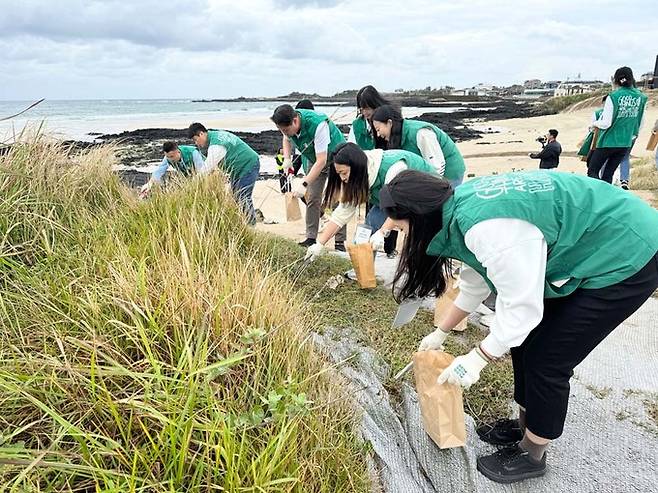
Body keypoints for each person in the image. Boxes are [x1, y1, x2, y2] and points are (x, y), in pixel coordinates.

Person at [378, 169, 658, 484]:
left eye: (402, 228)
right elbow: (475, 282)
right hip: (593, 236)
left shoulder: (488, 230)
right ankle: (527, 424)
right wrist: (441, 331)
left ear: (419, 216)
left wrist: (477, 358)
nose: (401, 236)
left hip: (627, 249)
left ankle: (533, 453)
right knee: (524, 343)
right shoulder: (457, 212)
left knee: (548, 356)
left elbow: (522, 309)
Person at [303, 142, 436, 261]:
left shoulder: (393, 169)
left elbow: (400, 205)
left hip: (424, 196)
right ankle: (364, 278)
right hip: (388, 202)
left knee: (421, 239)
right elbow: (341, 214)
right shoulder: (355, 179)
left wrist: (383, 232)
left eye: (344, 173)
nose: (342, 178)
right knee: (363, 238)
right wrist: (319, 244)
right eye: (339, 174)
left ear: (356, 167)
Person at [271, 104, 347, 250]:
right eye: (281, 130)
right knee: (312, 197)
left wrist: (304, 183)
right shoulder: (286, 124)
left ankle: (339, 242)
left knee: (338, 198)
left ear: (295, 121)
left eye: (286, 130)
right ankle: (311, 238)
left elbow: (322, 160)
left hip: (336, 157)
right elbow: (286, 139)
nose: (285, 132)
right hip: (315, 158)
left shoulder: (318, 124)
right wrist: (287, 159)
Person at [349, 85, 399, 256]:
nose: (365, 112)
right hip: (368, 172)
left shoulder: (387, 121)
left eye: (367, 108)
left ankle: (390, 247)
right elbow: (352, 147)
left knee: (393, 206)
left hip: (389, 170)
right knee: (373, 208)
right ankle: (371, 250)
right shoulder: (357, 125)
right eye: (361, 109)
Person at [371, 105, 465, 188]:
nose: (378, 135)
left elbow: (437, 166)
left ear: (389, 123)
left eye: (378, 129)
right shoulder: (399, 135)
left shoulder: (421, 133)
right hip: (429, 172)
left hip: (450, 171)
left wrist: (435, 189)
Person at [187, 123, 261, 225]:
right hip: (236, 169)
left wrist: (193, 183)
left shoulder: (216, 145)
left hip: (248, 164)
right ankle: (247, 222)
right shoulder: (213, 137)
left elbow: (208, 167)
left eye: (195, 139)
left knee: (242, 196)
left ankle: (251, 225)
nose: (196, 143)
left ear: (201, 134)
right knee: (236, 196)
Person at [588, 66, 648, 184]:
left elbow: (606, 123)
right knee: (608, 175)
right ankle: (607, 198)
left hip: (608, 141)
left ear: (616, 80)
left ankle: (597, 198)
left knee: (593, 171)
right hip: (625, 142)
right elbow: (640, 123)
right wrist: (632, 136)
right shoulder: (642, 97)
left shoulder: (613, 96)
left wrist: (594, 123)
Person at [139, 141, 205, 198]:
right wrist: (150, 184)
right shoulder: (167, 158)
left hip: (208, 174)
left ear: (178, 151)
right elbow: (159, 171)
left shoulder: (193, 152)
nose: (170, 159)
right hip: (188, 176)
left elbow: (202, 172)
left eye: (172, 156)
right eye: (167, 156)